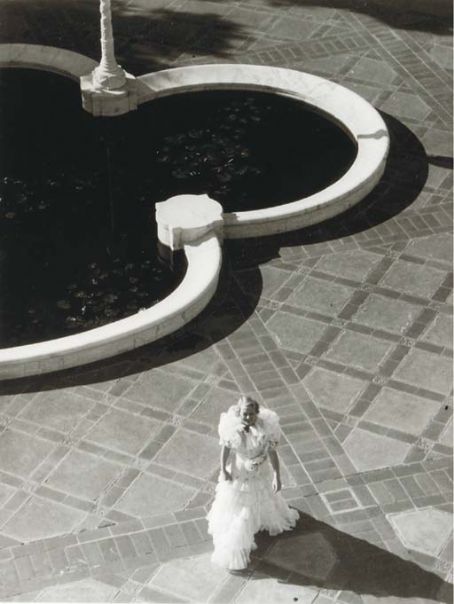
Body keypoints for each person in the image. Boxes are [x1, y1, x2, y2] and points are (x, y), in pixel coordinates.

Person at [207, 395, 299, 571]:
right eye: (245, 414)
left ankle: (258, 520)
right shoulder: (231, 429)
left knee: (263, 497)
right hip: (240, 473)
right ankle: (237, 540)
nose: (248, 417)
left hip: (260, 472)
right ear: (239, 413)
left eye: (251, 414)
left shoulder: (266, 429)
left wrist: (277, 476)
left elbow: (272, 453)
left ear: (257, 413)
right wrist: (224, 469)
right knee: (242, 507)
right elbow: (226, 450)